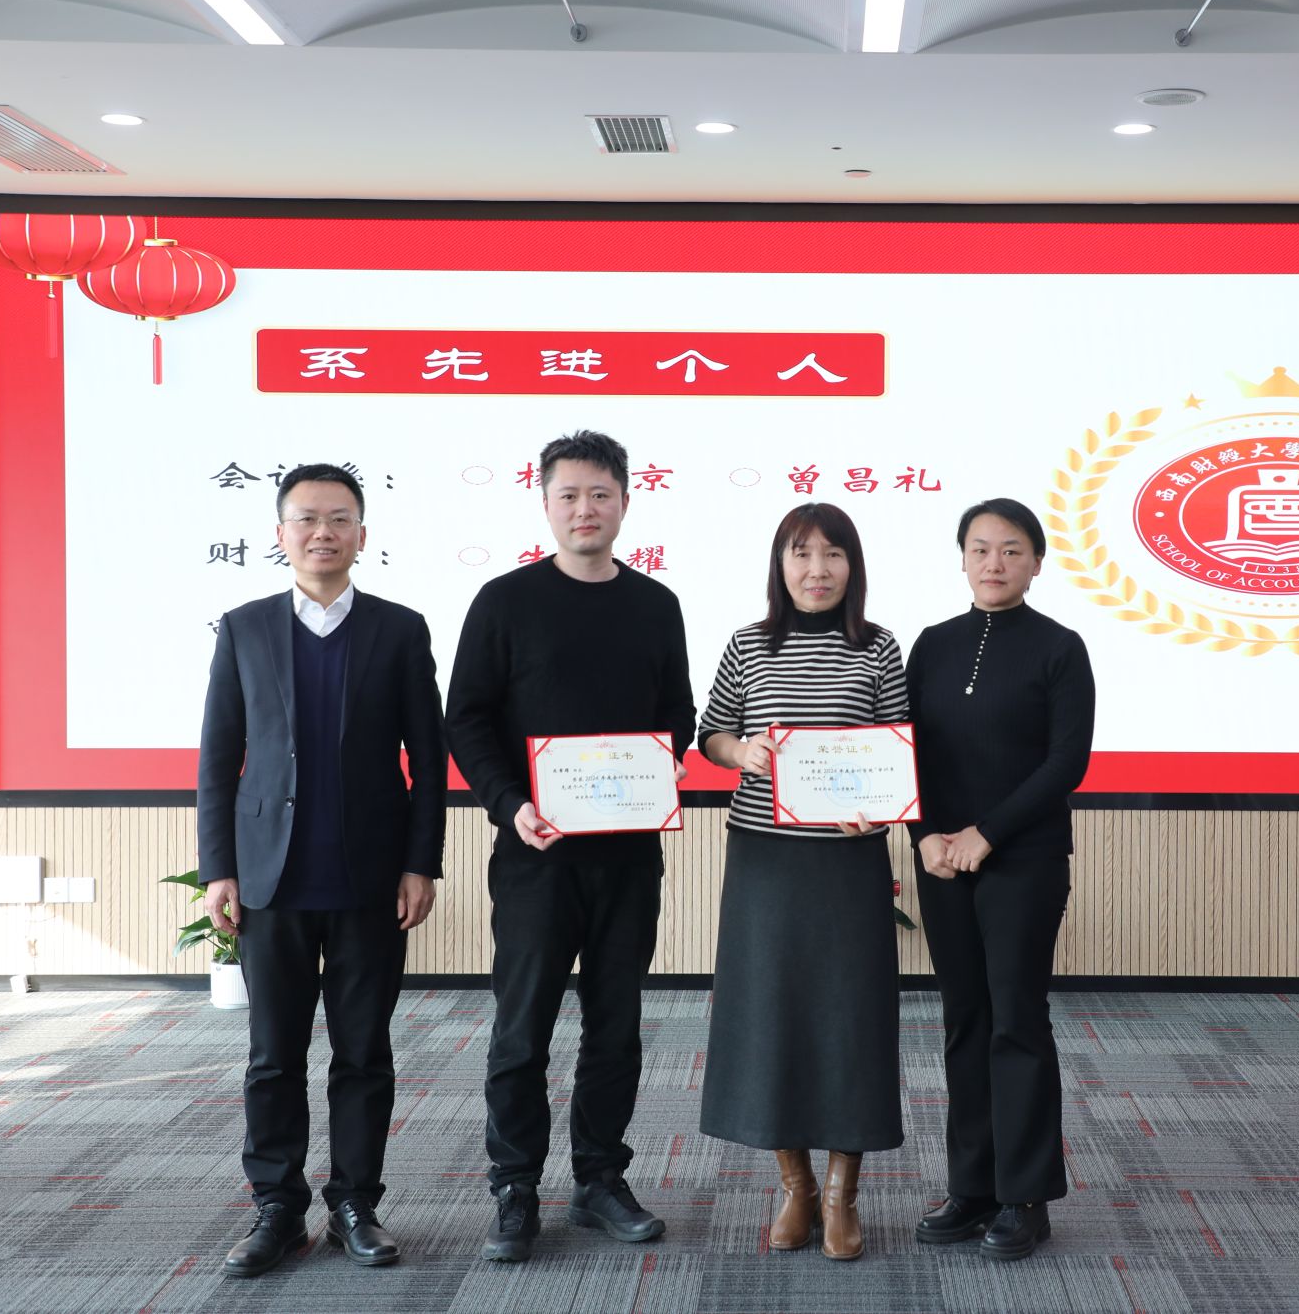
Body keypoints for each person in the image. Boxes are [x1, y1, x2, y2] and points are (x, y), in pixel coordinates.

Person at [445, 430, 695, 1263]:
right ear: (545, 503)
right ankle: (514, 1185)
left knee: (616, 1026)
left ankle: (600, 1178)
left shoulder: (656, 603)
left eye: (600, 494)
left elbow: (679, 711)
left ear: (626, 500)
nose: (585, 509)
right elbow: (466, 719)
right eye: (569, 495)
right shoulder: (505, 600)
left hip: (629, 855)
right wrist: (509, 802)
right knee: (522, 1029)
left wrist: (658, 768)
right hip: (535, 855)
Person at [197, 463, 448, 1278]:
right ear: (281, 534)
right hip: (270, 878)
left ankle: (354, 1204)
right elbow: (218, 757)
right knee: (273, 1054)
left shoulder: (399, 629)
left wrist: (420, 862)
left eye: (339, 518)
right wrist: (218, 868)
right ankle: (277, 1206)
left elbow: (429, 758)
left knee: (363, 1052)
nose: (323, 532)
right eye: (306, 518)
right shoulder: (244, 628)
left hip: (369, 878)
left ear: (362, 535)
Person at [697, 502, 909, 1261]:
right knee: (772, 1017)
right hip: (766, 861)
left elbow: (898, 748)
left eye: (832, 554)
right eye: (801, 553)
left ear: (853, 565)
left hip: (848, 864)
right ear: (779, 564)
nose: (816, 570)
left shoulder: (879, 647)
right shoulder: (748, 643)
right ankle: (797, 1187)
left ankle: (845, 1193)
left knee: (851, 1021)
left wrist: (877, 807)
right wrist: (740, 752)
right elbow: (712, 731)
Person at [905, 497, 1095, 1261]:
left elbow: (1066, 762)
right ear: (962, 558)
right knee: (964, 1019)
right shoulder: (932, 644)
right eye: (980, 547)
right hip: (943, 860)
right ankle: (972, 1186)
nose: (994, 562)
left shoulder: (1060, 648)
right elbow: (907, 747)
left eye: (1012, 549)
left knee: (1016, 1019)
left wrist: (988, 833)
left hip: (1024, 859)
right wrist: (924, 834)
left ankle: (1026, 1197)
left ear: (1037, 562)